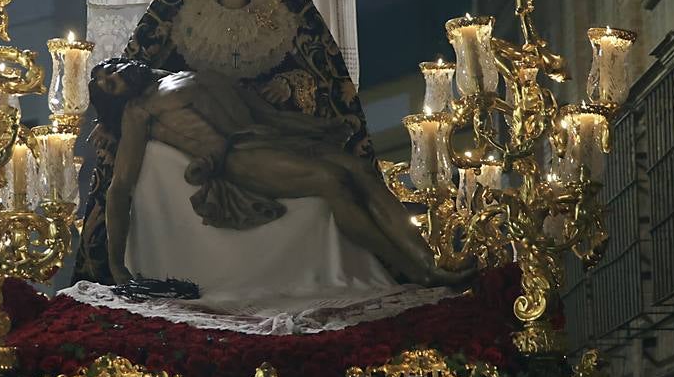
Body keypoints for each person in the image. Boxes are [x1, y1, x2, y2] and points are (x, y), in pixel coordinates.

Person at [77, 0, 371, 284]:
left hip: (268, 118)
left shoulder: (284, 15)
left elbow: (320, 73)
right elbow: (145, 73)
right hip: (232, 139)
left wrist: (291, 85)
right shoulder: (183, 22)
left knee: (355, 171)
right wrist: (110, 117)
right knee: (334, 179)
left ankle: (413, 265)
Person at [90, 58, 469, 288]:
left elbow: (261, 113)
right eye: (109, 85)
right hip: (238, 159)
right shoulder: (138, 112)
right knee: (332, 182)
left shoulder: (180, 75)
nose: (115, 76)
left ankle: (428, 261)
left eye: (109, 70)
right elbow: (120, 188)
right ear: (117, 98)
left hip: (262, 136)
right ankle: (415, 274)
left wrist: (319, 129)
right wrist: (116, 263)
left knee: (358, 170)